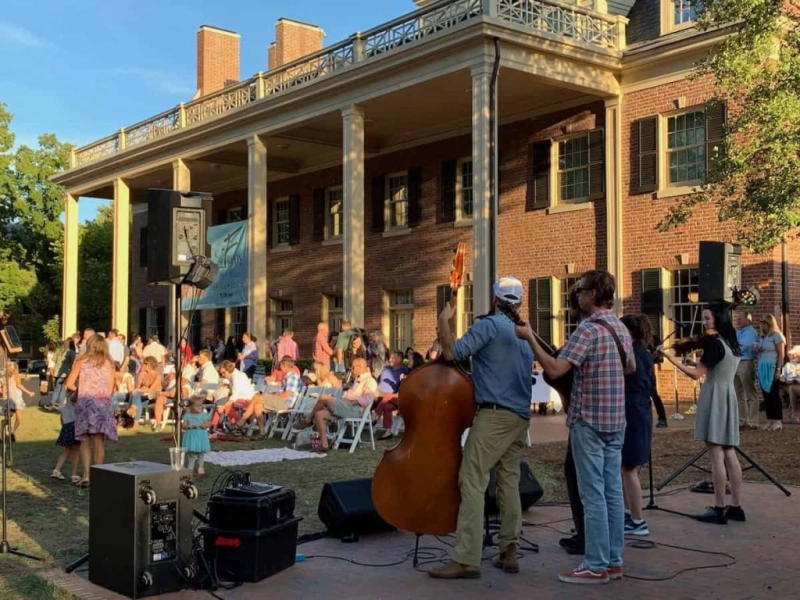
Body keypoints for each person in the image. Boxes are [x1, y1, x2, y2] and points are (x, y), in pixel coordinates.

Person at [517, 269, 633, 585]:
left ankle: (595, 564)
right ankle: (614, 561)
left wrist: (530, 338)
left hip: (589, 421)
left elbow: (555, 367)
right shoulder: (620, 327)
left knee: (592, 494)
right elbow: (631, 366)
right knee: (612, 493)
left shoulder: (587, 330)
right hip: (615, 421)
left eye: (580, 289)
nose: (577, 294)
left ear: (593, 294)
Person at [429, 276, 533, 580]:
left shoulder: (489, 325)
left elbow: (452, 354)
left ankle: (465, 558)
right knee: (509, 480)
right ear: (519, 302)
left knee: (471, 479)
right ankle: (509, 549)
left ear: (496, 299)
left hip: (495, 414)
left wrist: (444, 322)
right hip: (520, 416)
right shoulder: (524, 332)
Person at [659, 303, 745, 525]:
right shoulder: (732, 343)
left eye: (707, 318)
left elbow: (696, 374)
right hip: (728, 395)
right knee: (729, 452)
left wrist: (671, 359)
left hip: (715, 395)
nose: (705, 323)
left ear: (717, 319)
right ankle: (736, 506)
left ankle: (718, 508)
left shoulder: (715, 344)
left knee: (715, 452)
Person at [620, 314, 656, 537]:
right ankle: (628, 513)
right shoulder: (645, 352)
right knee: (626, 467)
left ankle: (637, 520)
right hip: (641, 409)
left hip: (633, 409)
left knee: (629, 468)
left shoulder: (632, 353)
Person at [65, 334, 117, 487]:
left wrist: (81, 391)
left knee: (84, 440)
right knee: (99, 442)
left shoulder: (82, 361)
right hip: (102, 404)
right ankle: (98, 475)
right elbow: (110, 389)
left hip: (85, 403)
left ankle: (86, 475)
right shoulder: (110, 364)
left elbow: (69, 383)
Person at [755, 314, 786, 431]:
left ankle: (778, 420)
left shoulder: (776, 336)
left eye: (764, 323)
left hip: (772, 366)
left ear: (769, 324)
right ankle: (770, 419)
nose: (762, 325)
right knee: (766, 395)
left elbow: (781, 354)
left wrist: (778, 369)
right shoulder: (762, 337)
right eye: (761, 323)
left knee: (773, 393)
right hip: (762, 366)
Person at [734, 311, 759, 429]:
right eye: (737, 319)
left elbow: (742, 347)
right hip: (735, 362)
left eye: (740, 319)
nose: (737, 321)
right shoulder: (738, 332)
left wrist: (732, 347)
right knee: (738, 393)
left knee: (750, 393)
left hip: (745, 361)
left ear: (748, 320)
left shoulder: (750, 332)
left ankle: (753, 421)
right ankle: (742, 421)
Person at [51, 386, 81, 484]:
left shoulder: (65, 402)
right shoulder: (74, 397)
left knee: (67, 451)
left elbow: (62, 418)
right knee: (76, 451)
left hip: (66, 427)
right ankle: (74, 474)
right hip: (75, 426)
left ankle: (57, 469)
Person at [182, 394, 211, 475]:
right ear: (191, 406)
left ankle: (200, 466)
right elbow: (183, 425)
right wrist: (189, 426)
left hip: (200, 437)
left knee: (200, 453)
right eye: (197, 406)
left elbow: (208, 423)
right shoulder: (187, 416)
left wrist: (203, 425)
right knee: (191, 454)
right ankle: (190, 466)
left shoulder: (203, 415)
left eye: (201, 406)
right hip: (191, 436)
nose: (199, 407)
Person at [5, 361, 34, 441]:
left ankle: (4, 431)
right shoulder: (16, 375)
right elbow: (19, 385)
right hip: (16, 398)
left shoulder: (6, 376)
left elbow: (4, 387)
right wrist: (29, 392)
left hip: (8, 397)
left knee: (7, 417)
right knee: (18, 417)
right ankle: (13, 431)